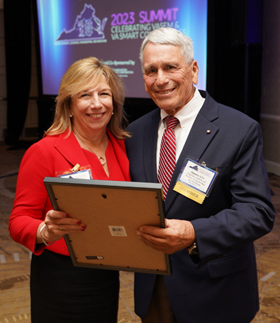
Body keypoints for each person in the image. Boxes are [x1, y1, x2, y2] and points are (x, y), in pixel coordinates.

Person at [125, 27, 275, 323]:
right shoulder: (136, 131)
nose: (161, 79)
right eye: (150, 70)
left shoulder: (238, 129)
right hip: (154, 287)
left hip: (216, 288)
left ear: (193, 70)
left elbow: (257, 212)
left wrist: (194, 233)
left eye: (171, 67)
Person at [9, 57, 130, 323]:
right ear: (69, 105)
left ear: (114, 103)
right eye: (85, 95)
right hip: (62, 278)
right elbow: (18, 221)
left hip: (106, 275)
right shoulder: (44, 151)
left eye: (104, 94)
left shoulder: (122, 146)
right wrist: (45, 231)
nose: (96, 104)